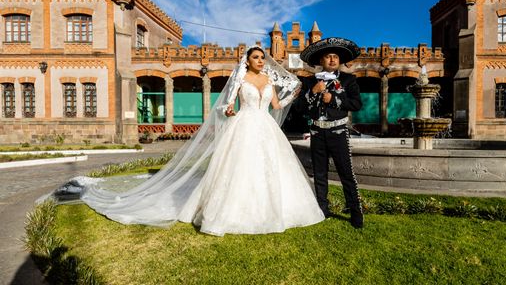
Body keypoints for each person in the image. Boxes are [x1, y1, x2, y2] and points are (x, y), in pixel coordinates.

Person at [52, 46, 325, 236]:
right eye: (256, 58)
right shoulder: (240, 79)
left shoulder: (268, 79)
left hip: (265, 127)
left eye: (262, 58)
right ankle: (230, 212)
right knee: (239, 169)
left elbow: (275, 105)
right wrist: (229, 110)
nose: (260, 61)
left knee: (271, 168)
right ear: (247, 61)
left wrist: (294, 95)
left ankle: (278, 209)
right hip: (244, 126)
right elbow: (226, 106)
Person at [296, 37, 364, 228]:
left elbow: (357, 104)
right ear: (321, 61)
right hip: (317, 133)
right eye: (328, 57)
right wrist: (313, 92)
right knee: (319, 174)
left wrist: (332, 99)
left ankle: (356, 213)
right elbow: (300, 108)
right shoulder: (309, 82)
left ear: (340, 60)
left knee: (346, 174)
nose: (332, 60)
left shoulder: (349, 80)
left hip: (339, 133)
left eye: (335, 57)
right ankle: (322, 210)